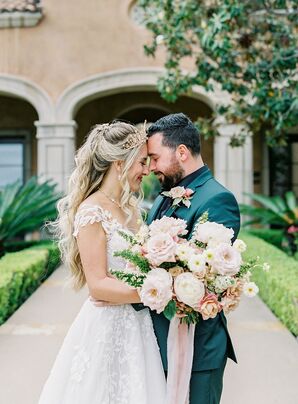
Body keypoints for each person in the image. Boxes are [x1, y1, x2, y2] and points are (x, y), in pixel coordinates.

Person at [38, 121, 166, 404]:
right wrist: (159, 293)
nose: (146, 170)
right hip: (106, 327)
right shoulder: (91, 211)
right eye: (142, 162)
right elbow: (98, 286)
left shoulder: (130, 210)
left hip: (138, 326)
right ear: (120, 163)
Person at [146, 112, 240, 404]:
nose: (151, 167)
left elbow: (204, 276)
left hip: (198, 349)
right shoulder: (163, 197)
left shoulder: (217, 199)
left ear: (182, 152)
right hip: (155, 343)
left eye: (155, 157)